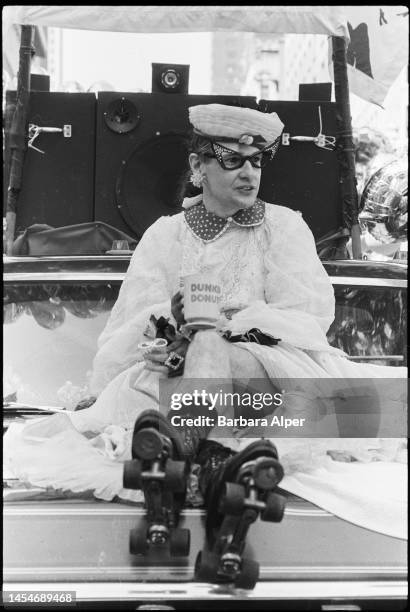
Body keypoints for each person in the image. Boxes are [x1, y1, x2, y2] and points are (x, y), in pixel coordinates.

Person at [4, 104, 406, 586]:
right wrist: (169, 328)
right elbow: (129, 325)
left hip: (274, 385)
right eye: (233, 160)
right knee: (183, 358)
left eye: (256, 161)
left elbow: (306, 316)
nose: (249, 172)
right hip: (180, 380)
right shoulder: (164, 234)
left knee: (213, 341)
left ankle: (177, 470)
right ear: (198, 168)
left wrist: (220, 324)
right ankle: (217, 479)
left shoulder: (283, 225)